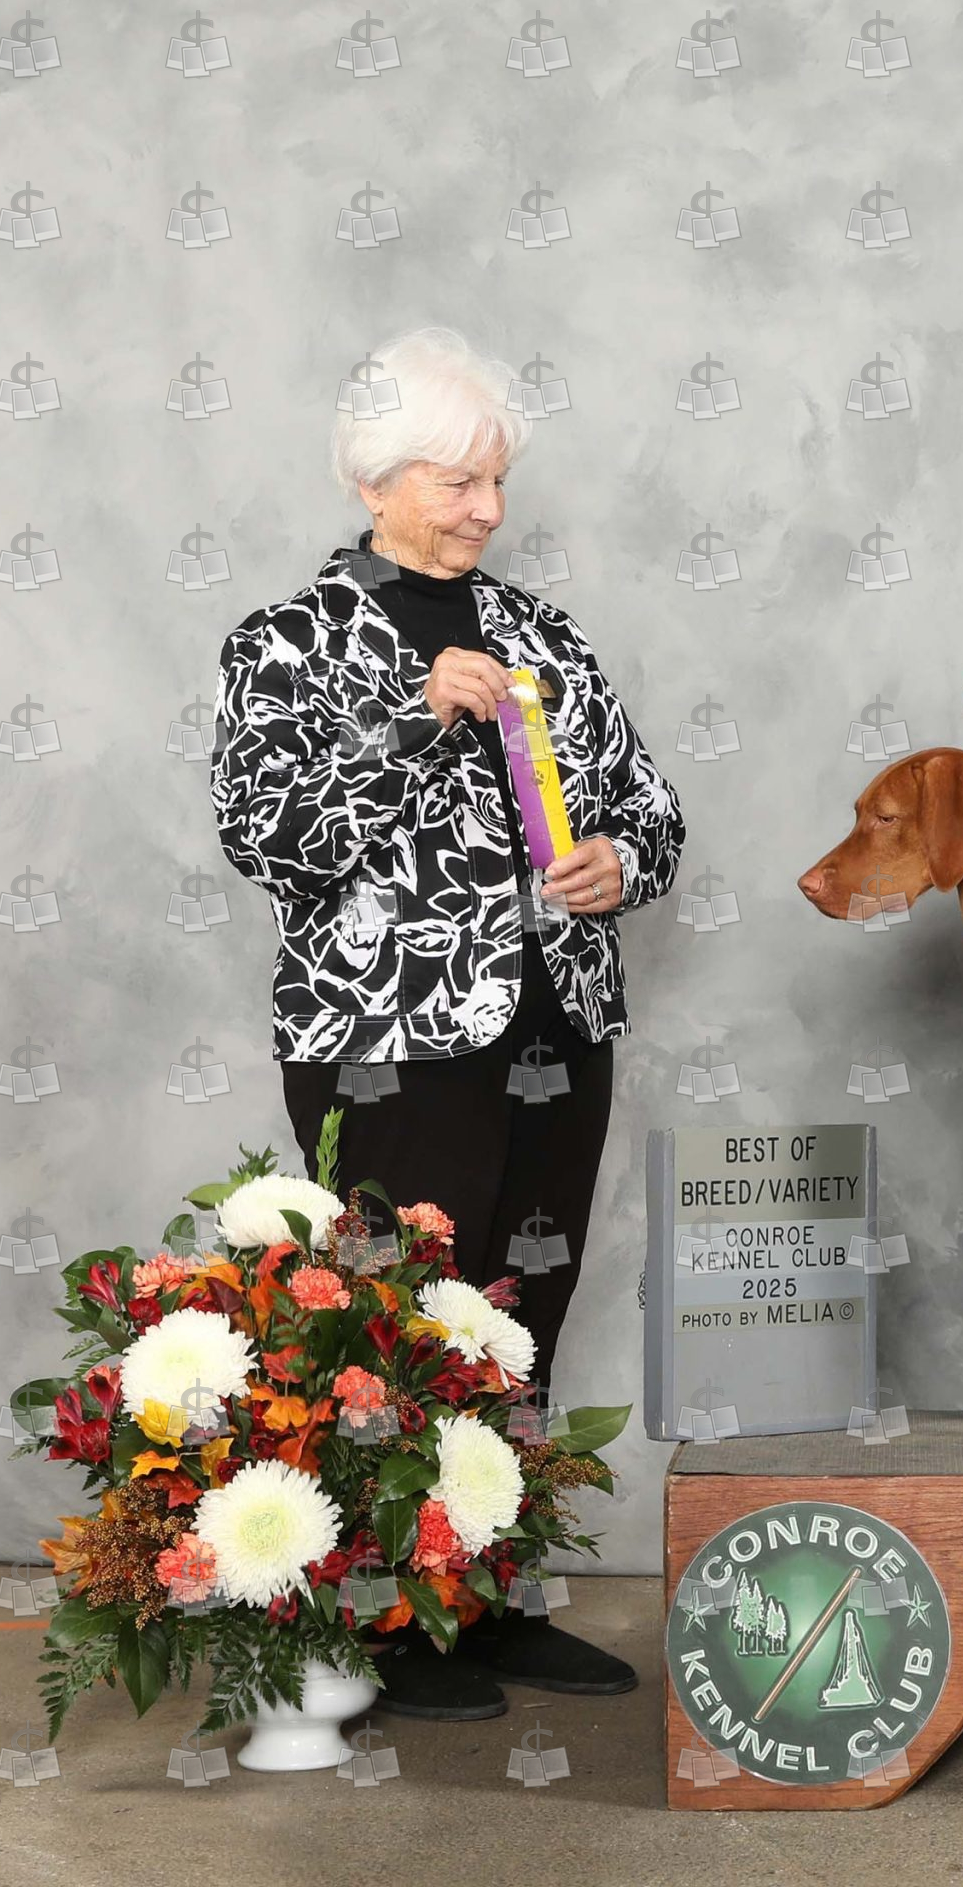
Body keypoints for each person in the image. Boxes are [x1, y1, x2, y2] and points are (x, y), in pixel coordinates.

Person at [211, 325, 685, 1718]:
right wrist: (414, 724)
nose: (486, 508)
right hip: (388, 1043)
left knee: (521, 1319)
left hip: (557, 1024)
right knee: (397, 1330)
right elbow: (270, 839)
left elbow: (651, 805)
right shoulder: (287, 642)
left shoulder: (542, 632)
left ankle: (491, 1600)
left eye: (497, 481)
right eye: (456, 481)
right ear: (373, 479)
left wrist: (626, 861)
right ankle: (390, 1619)